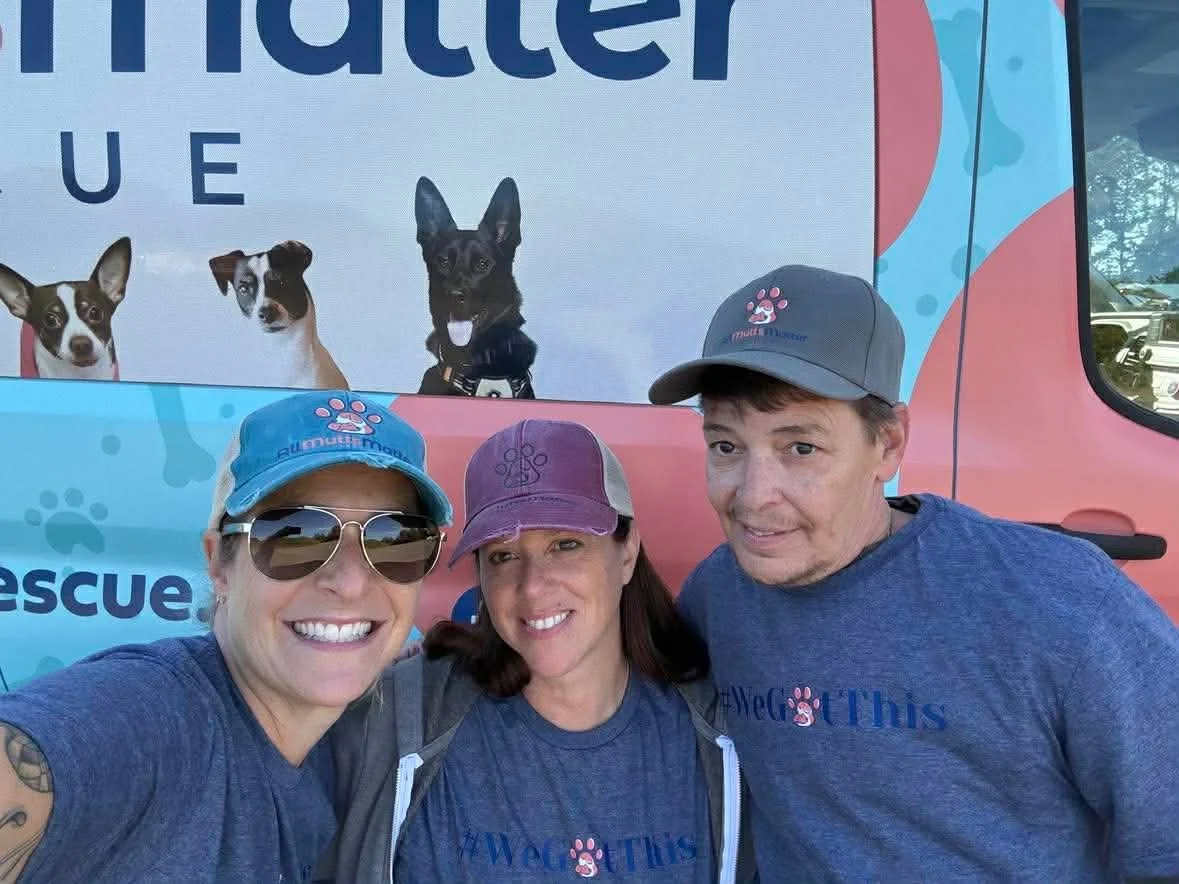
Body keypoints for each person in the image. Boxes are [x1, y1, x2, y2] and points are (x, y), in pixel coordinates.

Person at [646, 263, 1179, 882]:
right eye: (727, 447)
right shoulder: (721, 595)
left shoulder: (1054, 603)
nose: (754, 496)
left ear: (889, 444)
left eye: (801, 448)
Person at [0, 389, 452, 884]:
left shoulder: (332, 748)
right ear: (219, 562)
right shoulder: (157, 718)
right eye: (295, 535)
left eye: (395, 539)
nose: (349, 582)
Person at [319, 418, 755, 883]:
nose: (532, 587)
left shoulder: (723, 728)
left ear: (626, 554)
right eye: (503, 556)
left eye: (566, 545)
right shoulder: (404, 715)